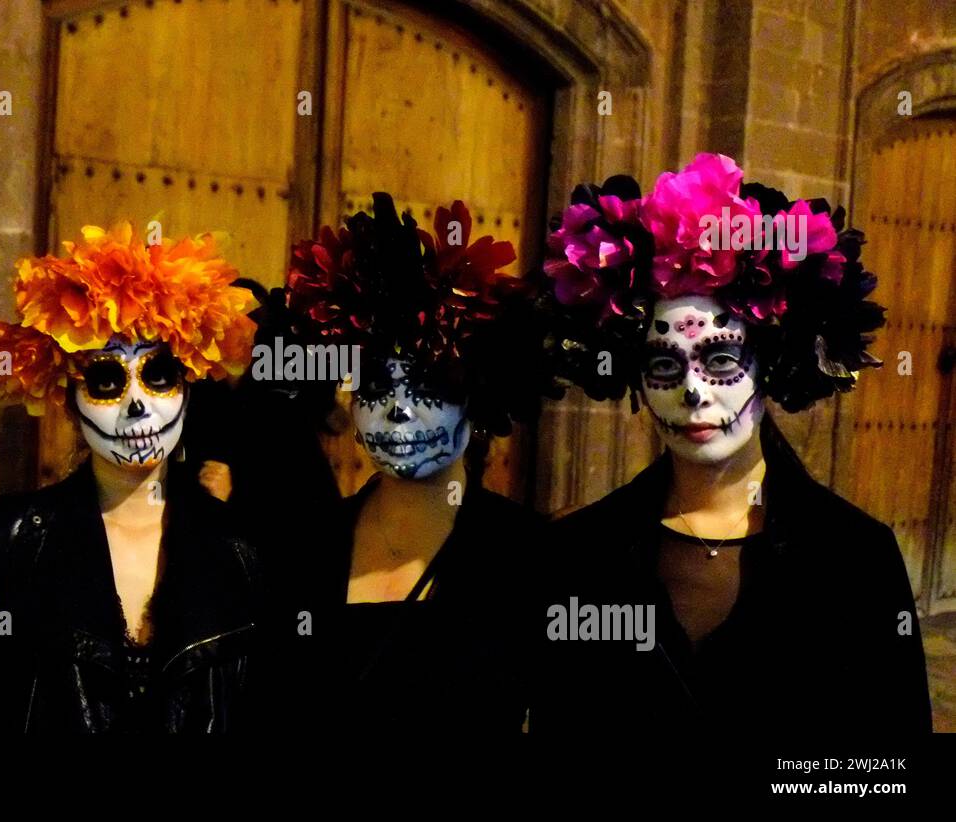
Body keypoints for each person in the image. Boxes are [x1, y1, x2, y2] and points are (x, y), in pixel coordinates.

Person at [529, 153, 932, 733]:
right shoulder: (581, 552)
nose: (693, 392)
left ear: (770, 367)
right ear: (636, 379)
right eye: (664, 366)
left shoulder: (854, 558)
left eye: (719, 359)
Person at [262, 192, 545, 730]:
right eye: (374, 384)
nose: (398, 411)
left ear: (478, 394)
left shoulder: (530, 558)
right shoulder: (301, 549)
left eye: (429, 382)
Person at [0, 221, 260, 732]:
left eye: (159, 375)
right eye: (105, 379)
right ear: (66, 396)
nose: (136, 407)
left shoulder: (244, 549)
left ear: (188, 387)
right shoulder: (5, 540)